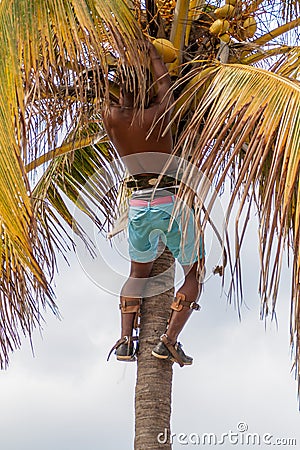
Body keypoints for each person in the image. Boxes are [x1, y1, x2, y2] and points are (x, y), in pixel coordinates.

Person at [103, 42, 204, 366]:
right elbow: (166, 89)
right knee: (194, 273)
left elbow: (110, 91)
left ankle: (123, 342)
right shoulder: (158, 115)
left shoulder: (112, 118)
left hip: (137, 207)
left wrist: (125, 57)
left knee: (137, 275)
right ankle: (168, 341)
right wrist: (154, 55)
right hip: (169, 203)